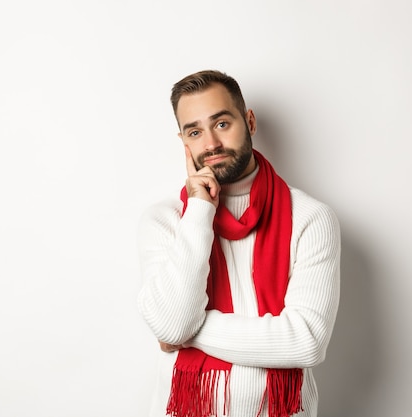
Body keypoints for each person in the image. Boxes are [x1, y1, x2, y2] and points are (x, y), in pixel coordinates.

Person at [137, 70, 341, 417]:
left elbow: (306, 342)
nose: (211, 144)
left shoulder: (310, 218)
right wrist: (200, 209)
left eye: (221, 124)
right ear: (183, 141)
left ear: (249, 121)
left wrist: (187, 331)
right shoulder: (166, 219)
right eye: (195, 131)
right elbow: (172, 324)